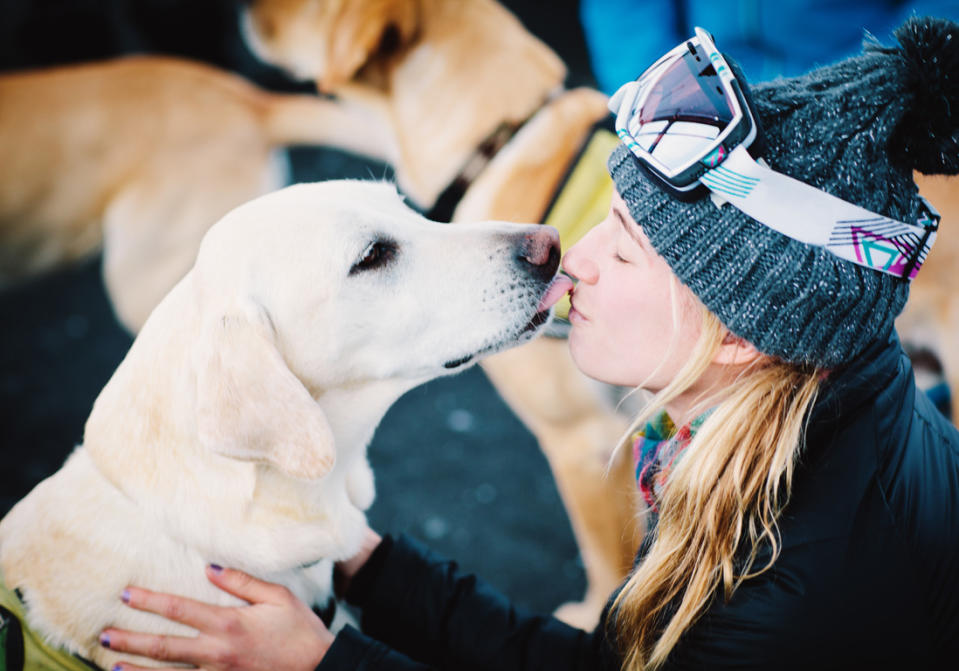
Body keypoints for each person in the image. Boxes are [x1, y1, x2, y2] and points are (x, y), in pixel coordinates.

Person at [96, 15, 959, 670]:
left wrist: (325, 661)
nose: (566, 253)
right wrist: (371, 568)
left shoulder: (782, 592)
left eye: (618, 246)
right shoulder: (814, 411)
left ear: (735, 333)